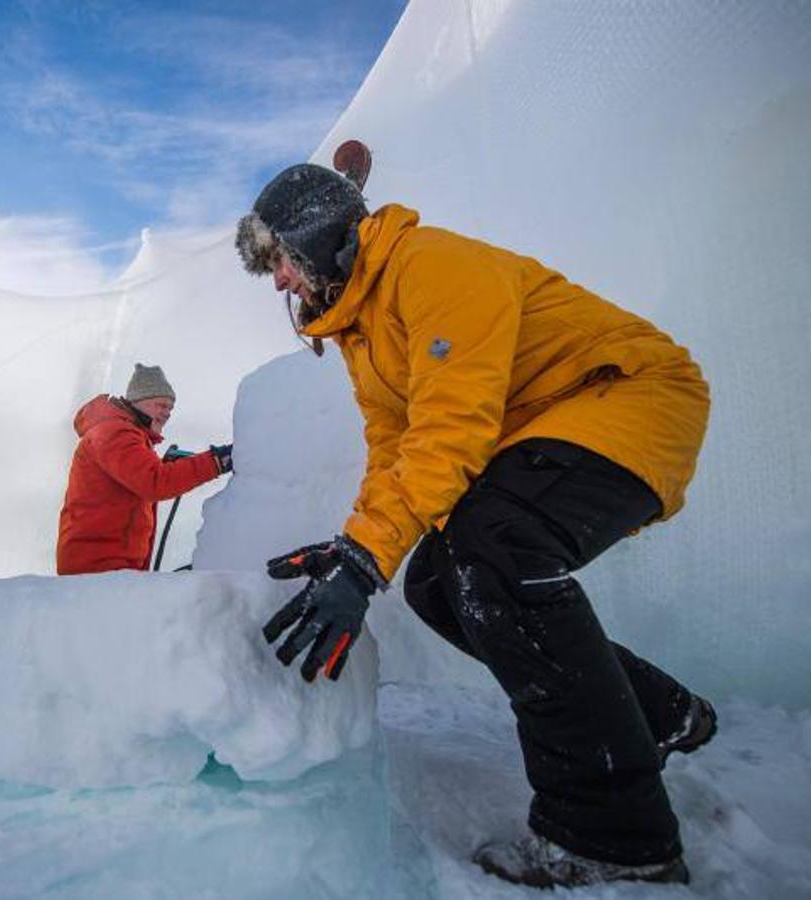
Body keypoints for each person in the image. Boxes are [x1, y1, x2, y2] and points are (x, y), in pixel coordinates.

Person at [235, 163, 716, 888]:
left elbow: (452, 427)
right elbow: (393, 453)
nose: (277, 283)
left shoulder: (430, 265)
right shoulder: (363, 332)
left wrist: (367, 562)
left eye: (278, 260)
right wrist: (355, 547)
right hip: (550, 424)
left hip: (628, 397)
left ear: (315, 236)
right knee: (437, 582)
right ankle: (659, 713)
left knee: (491, 553)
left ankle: (615, 839)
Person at [56, 364, 231, 574]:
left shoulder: (124, 433)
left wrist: (169, 466)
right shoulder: (115, 432)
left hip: (107, 566)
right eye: (161, 405)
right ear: (139, 401)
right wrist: (216, 462)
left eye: (170, 408)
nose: (167, 414)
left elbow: (145, 477)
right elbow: (154, 482)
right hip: (98, 568)